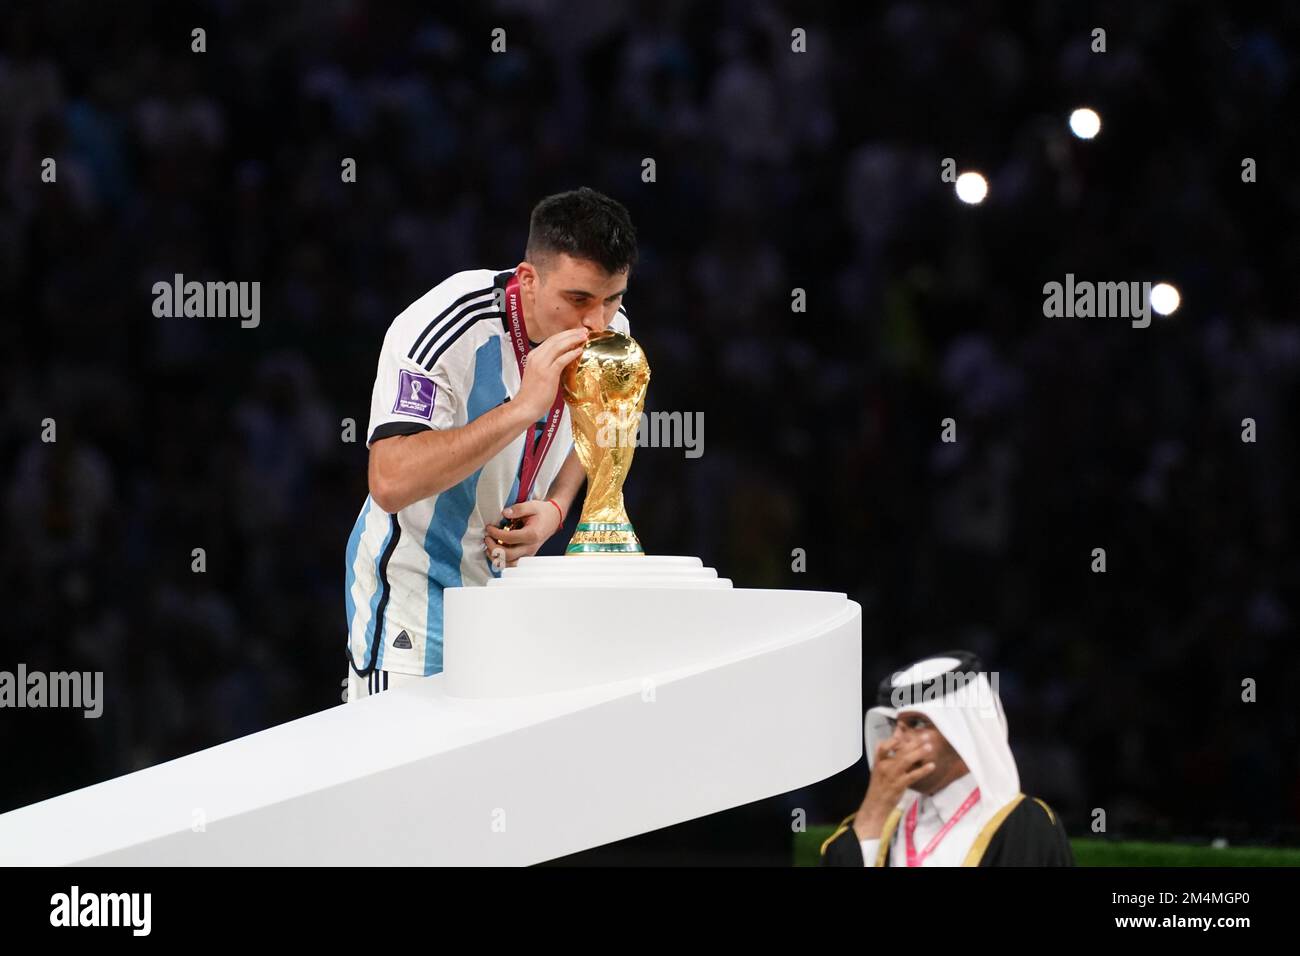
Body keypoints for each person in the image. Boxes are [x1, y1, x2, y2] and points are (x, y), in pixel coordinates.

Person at [342, 187, 636, 702]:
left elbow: (609, 417)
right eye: (579, 299)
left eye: (612, 298)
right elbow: (389, 481)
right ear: (528, 278)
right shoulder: (444, 327)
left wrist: (557, 505)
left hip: (509, 593)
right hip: (416, 588)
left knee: (490, 773)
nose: (597, 322)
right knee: (406, 774)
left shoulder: (610, 330)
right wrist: (522, 408)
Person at [821, 651, 1074, 866]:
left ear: (964, 733)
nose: (895, 740)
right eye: (894, 725)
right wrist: (873, 813)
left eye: (917, 723)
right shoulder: (880, 826)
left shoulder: (1025, 827)